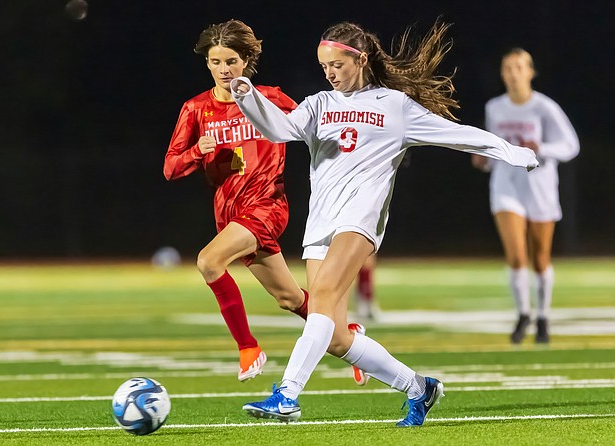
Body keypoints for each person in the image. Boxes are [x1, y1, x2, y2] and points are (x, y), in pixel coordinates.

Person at [231, 20, 538, 426]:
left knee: (320, 297)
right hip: (322, 222)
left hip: (361, 220)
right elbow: (279, 129)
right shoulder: (320, 103)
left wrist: (509, 151)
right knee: (338, 337)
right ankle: (419, 387)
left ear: (360, 59)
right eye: (324, 66)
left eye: (337, 65)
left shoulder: (394, 106)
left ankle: (287, 394)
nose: (330, 73)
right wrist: (247, 95)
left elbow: (456, 134)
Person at [163, 19, 310, 383]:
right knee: (290, 299)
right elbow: (170, 167)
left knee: (209, 261)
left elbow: (315, 127)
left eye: (231, 61)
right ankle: (349, 334)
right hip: (229, 213)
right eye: (216, 62)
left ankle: (248, 348)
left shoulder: (270, 98)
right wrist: (198, 150)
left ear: (246, 61)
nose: (224, 70)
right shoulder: (196, 109)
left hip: (267, 205)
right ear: (207, 64)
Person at [471, 48, 579, 344]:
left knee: (541, 259)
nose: (513, 73)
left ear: (531, 72)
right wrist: (484, 160)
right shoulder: (495, 107)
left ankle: (543, 316)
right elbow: (497, 151)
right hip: (506, 187)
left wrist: (541, 148)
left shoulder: (545, 108)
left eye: (519, 67)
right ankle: (523, 314)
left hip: (540, 188)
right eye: (508, 67)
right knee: (517, 256)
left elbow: (571, 146)